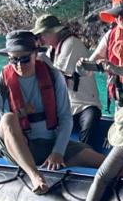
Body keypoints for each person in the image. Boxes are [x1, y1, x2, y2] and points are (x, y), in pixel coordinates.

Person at [0, 30, 103, 194]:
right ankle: (35, 175)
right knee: (8, 119)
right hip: (17, 146)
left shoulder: (54, 77)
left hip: (47, 144)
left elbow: (65, 118)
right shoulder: (0, 82)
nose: (19, 65)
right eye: (14, 59)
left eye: (24, 59)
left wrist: (58, 152)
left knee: (100, 161)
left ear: (35, 55)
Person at [33, 12, 102, 147]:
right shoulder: (51, 50)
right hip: (67, 105)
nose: (41, 38)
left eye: (43, 34)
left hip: (85, 104)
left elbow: (61, 81)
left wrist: (42, 60)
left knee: (89, 124)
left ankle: (86, 157)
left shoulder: (71, 44)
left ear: (53, 32)